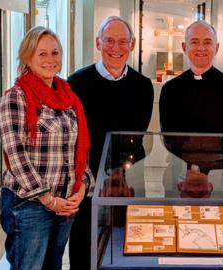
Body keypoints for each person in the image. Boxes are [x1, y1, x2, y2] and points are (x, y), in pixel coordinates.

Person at [0, 26, 93, 270]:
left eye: (55, 53)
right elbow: (16, 157)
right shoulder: (14, 98)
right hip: (29, 205)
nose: (50, 60)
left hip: (65, 203)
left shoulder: (68, 96)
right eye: (42, 54)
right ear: (27, 57)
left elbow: (77, 150)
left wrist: (82, 187)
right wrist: (49, 200)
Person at [67, 16, 153, 269]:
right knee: (84, 242)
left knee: (128, 242)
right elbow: (74, 135)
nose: (116, 48)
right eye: (109, 41)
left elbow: (137, 133)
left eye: (123, 42)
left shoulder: (143, 86)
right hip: (86, 177)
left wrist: (120, 173)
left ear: (132, 44)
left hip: (129, 175)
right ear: (98, 43)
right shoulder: (76, 83)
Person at [159, 21, 223, 198]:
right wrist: (190, 170)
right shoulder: (170, 90)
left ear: (216, 48)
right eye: (194, 42)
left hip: (220, 178)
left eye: (207, 42)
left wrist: (211, 172)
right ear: (185, 47)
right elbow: (169, 137)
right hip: (180, 177)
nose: (201, 47)